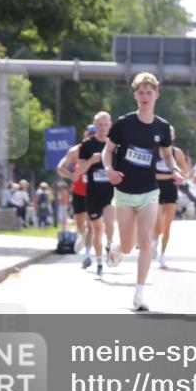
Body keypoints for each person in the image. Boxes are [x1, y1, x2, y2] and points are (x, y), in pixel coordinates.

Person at [102, 72, 182, 311]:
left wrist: (175, 169)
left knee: (146, 239)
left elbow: (167, 154)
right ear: (135, 95)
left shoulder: (162, 127)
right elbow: (107, 151)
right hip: (125, 192)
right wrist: (109, 170)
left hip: (149, 191)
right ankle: (118, 248)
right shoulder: (124, 124)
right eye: (141, 92)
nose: (145, 96)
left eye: (149, 92)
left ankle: (139, 295)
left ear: (156, 95)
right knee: (128, 246)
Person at [77, 113, 116, 276]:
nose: (102, 128)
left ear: (110, 125)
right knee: (97, 229)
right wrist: (90, 161)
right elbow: (79, 170)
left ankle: (109, 245)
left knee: (109, 223)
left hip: (110, 192)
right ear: (94, 125)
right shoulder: (87, 145)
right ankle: (99, 262)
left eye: (105, 125)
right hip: (93, 193)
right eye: (99, 125)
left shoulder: (115, 144)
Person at [56, 126, 95, 264]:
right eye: (90, 134)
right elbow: (60, 167)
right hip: (78, 191)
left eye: (94, 134)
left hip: (95, 191)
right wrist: (71, 175)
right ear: (85, 135)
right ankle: (81, 235)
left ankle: (88, 252)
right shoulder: (76, 150)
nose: (92, 136)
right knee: (80, 222)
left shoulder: (101, 149)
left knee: (92, 224)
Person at [152, 125, 190, 268]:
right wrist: (171, 175)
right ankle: (154, 243)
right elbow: (151, 174)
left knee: (167, 227)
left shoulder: (176, 152)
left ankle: (162, 255)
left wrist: (181, 175)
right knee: (157, 226)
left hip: (171, 191)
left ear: (172, 138)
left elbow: (186, 172)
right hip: (154, 190)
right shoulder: (153, 151)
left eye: (169, 136)